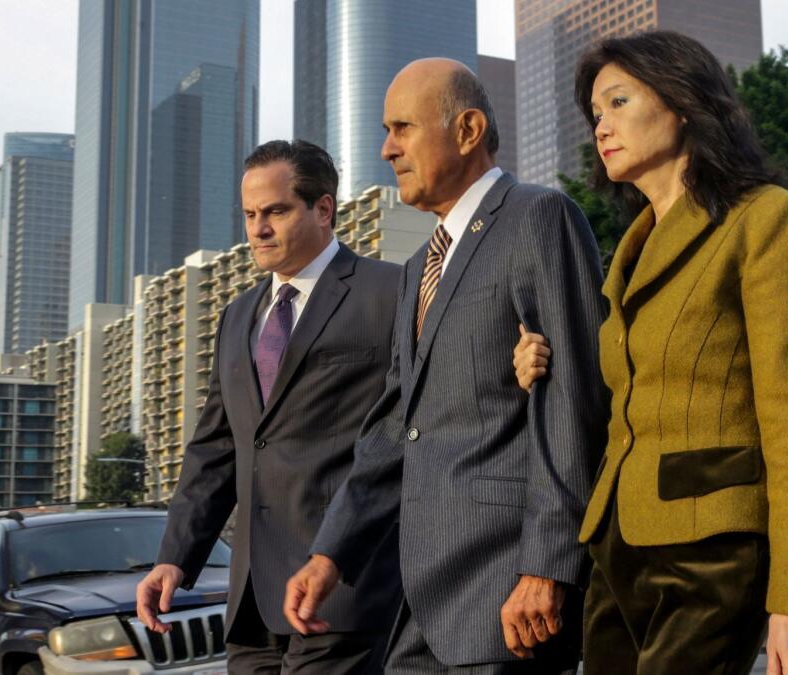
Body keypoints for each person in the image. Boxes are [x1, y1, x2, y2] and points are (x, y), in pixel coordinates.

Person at [514, 32, 788, 675]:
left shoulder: (770, 219)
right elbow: (625, 400)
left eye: (618, 101)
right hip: (615, 545)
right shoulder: (627, 252)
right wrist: (539, 371)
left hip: (712, 548)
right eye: (594, 112)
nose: (601, 125)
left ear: (683, 103)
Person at [282, 58, 608, 674]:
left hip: (511, 594)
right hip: (423, 602)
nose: (386, 149)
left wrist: (548, 565)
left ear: (467, 130)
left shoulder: (540, 217)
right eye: (386, 130)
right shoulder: (415, 270)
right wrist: (330, 555)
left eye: (402, 128)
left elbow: (575, 402)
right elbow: (392, 430)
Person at [136, 140, 404, 674]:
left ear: (323, 209)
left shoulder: (390, 292)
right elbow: (216, 449)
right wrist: (174, 557)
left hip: (342, 593)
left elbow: (409, 431)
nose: (258, 228)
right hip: (252, 602)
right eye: (250, 215)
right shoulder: (238, 316)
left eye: (276, 211)